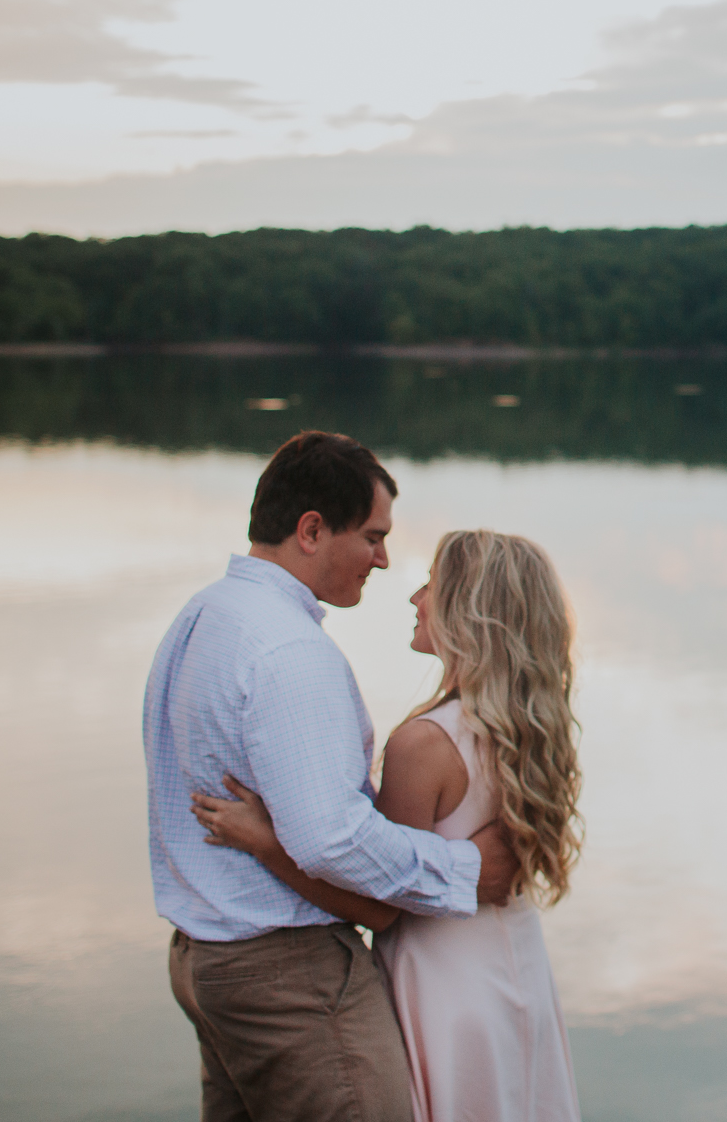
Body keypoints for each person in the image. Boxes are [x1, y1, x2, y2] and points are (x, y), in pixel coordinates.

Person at [144, 431, 518, 1122]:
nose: (383, 559)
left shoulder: (203, 615)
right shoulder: (289, 650)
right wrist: (465, 870)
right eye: (373, 537)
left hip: (206, 961)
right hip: (287, 981)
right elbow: (332, 841)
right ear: (311, 530)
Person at [194, 529, 584, 1122]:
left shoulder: (423, 744)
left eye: (431, 585)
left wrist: (266, 842)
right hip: (517, 967)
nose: (415, 598)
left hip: (445, 982)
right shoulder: (529, 731)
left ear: (468, 608)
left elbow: (380, 901)